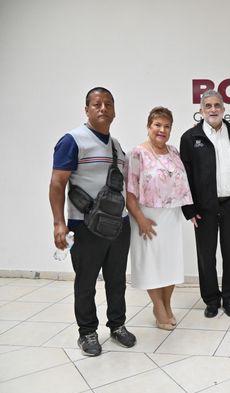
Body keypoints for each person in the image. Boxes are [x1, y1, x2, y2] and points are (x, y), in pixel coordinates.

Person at [49, 87, 136, 356]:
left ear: (114, 111)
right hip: (84, 225)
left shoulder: (116, 145)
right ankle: (87, 332)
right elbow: (57, 183)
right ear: (86, 109)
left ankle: (117, 325)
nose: (103, 109)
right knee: (86, 282)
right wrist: (59, 223)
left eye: (108, 104)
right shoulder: (72, 141)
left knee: (116, 280)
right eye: (97, 104)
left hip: (118, 224)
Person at [180, 90, 230, 318]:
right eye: (208, 106)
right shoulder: (190, 138)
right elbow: (185, 176)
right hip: (203, 208)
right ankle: (211, 300)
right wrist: (189, 209)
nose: (213, 109)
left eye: (217, 105)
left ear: (223, 109)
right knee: (206, 256)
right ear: (201, 110)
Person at [126, 107, 193, 330]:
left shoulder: (174, 151)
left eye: (166, 126)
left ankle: (167, 304)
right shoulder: (137, 153)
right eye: (157, 125)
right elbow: (130, 192)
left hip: (171, 215)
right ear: (148, 126)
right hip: (148, 216)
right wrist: (140, 219)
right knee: (152, 265)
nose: (162, 130)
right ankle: (158, 307)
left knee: (170, 264)